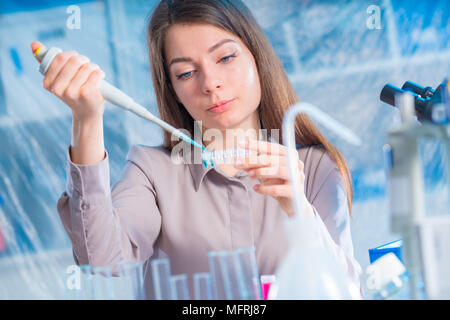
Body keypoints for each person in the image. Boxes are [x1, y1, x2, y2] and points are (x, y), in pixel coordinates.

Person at [38, 0, 361, 299]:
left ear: (258, 58)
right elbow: (102, 259)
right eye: (186, 73)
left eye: (225, 57)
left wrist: (301, 213)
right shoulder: (152, 170)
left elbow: (347, 292)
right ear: (174, 90)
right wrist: (87, 119)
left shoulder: (314, 167)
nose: (210, 83)